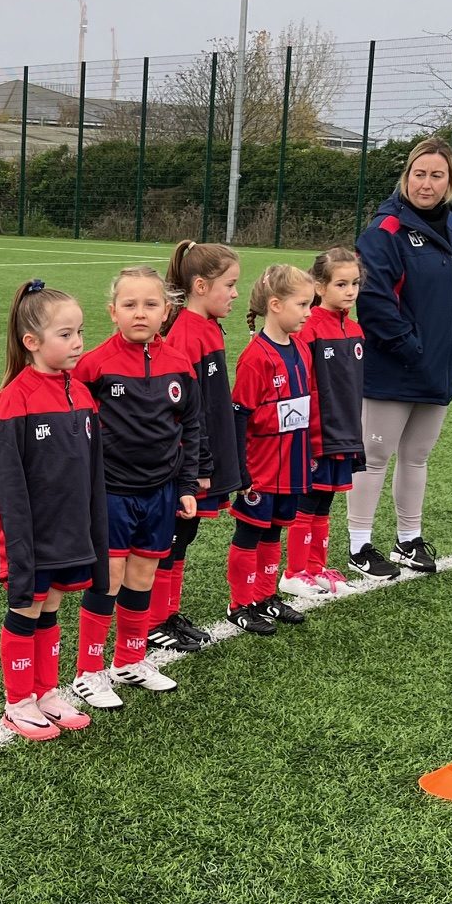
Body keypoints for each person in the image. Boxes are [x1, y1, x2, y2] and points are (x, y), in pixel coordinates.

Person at [347, 137, 452, 579]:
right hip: (394, 366)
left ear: (450, 182)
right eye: (419, 174)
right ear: (406, 177)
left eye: (436, 175)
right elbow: (373, 300)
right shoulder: (384, 230)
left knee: (418, 456)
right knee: (374, 454)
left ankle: (409, 539)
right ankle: (359, 545)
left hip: (440, 367)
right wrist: (410, 347)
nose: (426, 183)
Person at [70, 266, 201, 707]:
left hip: (161, 491)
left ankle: (129, 659)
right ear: (112, 312)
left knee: (144, 575)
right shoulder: (94, 365)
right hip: (111, 491)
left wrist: (186, 484)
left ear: (167, 311)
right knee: (108, 578)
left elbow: (191, 427)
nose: (139, 313)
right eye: (129, 305)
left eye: (150, 305)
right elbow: (75, 429)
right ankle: (89, 669)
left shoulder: (179, 363)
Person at [0, 279, 106, 740]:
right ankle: (17, 701)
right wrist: (18, 546)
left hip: (67, 530)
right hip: (30, 535)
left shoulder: (81, 392)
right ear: (31, 342)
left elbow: (90, 474)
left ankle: (44, 691)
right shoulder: (13, 400)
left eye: (80, 331)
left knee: (52, 604)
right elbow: (9, 488)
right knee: (27, 606)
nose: (78, 342)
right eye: (65, 334)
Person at [153, 240, 244, 650]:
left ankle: (167, 614)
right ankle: (154, 620)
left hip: (201, 459)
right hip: (185, 464)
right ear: (202, 285)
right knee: (171, 535)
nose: (236, 294)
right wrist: (199, 463)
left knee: (183, 534)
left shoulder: (207, 327)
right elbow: (184, 411)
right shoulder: (185, 335)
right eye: (230, 284)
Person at [227, 264, 320, 636]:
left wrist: (311, 448)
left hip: (292, 464)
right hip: (263, 468)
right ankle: (239, 603)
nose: (309, 313)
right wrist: (241, 470)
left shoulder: (300, 347)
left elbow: (307, 403)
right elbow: (239, 415)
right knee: (250, 533)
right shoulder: (255, 357)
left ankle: (265, 596)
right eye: (303, 305)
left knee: (275, 531)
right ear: (276, 305)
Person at [282, 249, 365, 597]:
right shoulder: (310, 327)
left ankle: (316, 567)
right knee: (309, 501)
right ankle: (294, 571)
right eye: (341, 283)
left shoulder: (355, 327)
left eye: (355, 283)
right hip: (317, 433)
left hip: (345, 431)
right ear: (319, 285)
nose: (350, 291)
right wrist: (308, 429)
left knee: (327, 500)